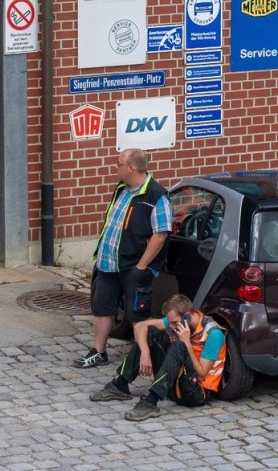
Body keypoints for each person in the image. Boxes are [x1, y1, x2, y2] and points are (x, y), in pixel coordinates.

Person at [73, 147, 172, 368]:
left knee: (138, 315)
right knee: (101, 307)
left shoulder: (156, 197)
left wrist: (142, 266)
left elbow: (160, 235)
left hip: (133, 267)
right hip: (109, 264)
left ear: (131, 167)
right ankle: (99, 351)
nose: (116, 167)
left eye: (119, 164)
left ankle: (143, 359)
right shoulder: (122, 189)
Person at [89, 293, 226, 420]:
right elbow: (141, 326)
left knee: (180, 345)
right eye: (170, 322)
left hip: (195, 393)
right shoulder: (178, 320)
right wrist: (145, 353)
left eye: (174, 322)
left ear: (188, 316)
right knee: (151, 334)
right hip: (175, 382)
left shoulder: (213, 334)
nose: (172, 326)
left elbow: (202, 374)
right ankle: (120, 385)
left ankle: (151, 402)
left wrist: (187, 344)